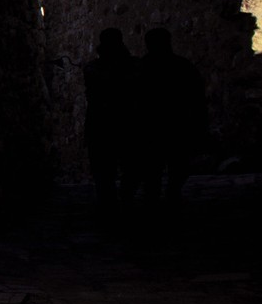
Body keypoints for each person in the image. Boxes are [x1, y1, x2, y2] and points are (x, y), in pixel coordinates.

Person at [137, 27, 205, 204]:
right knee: (175, 166)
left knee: (156, 168)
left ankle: (157, 198)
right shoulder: (182, 65)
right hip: (175, 125)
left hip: (156, 126)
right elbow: (197, 96)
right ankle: (170, 194)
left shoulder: (141, 67)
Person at [82, 28, 138, 212]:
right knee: (129, 167)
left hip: (101, 126)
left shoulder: (92, 69)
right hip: (127, 125)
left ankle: (109, 206)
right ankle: (124, 200)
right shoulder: (133, 66)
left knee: (104, 171)